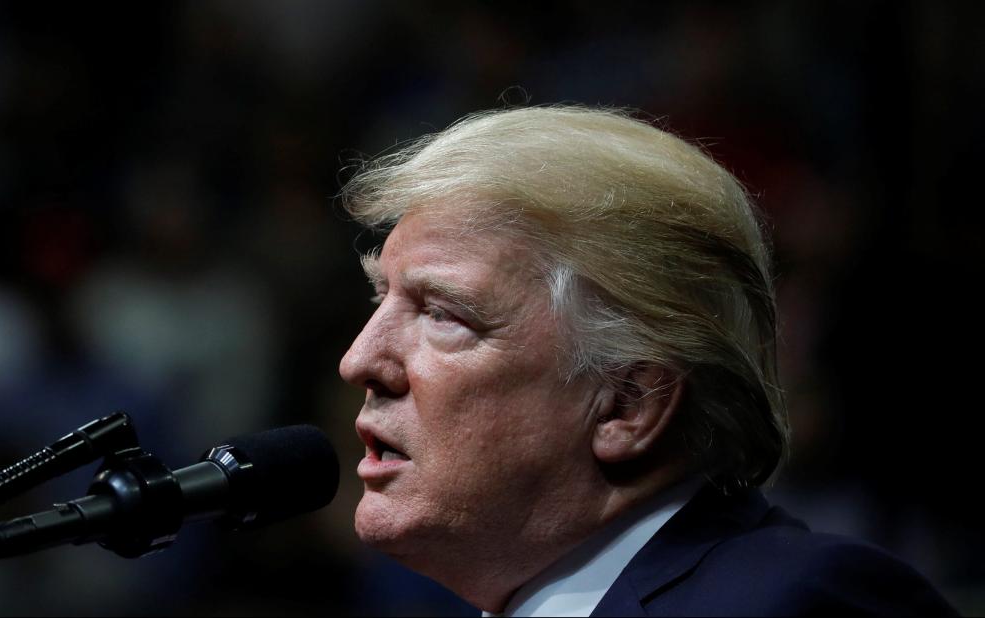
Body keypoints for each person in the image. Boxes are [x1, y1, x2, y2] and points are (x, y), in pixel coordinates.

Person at [336, 106, 956, 616]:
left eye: (444, 314)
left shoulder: (794, 602)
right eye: (379, 297)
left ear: (628, 405)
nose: (359, 360)